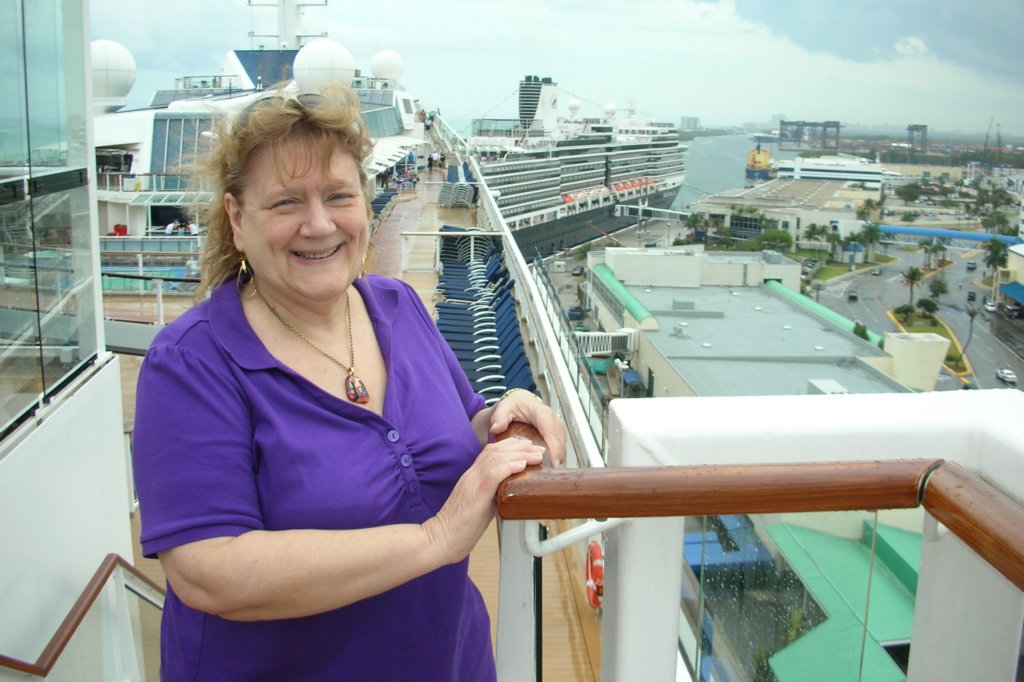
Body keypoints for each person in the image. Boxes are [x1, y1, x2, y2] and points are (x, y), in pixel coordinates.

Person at [131, 84, 565, 680]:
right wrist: (436, 537)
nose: (319, 224)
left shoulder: (399, 306)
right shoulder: (191, 363)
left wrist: (503, 417)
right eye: (286, 203)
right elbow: (209, 571)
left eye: (339, 195)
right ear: (236, 219)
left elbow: (454, 429)